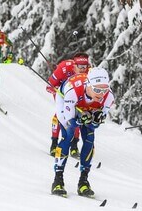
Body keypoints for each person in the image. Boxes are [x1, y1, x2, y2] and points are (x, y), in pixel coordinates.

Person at [51, 67, 115, 198]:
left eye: (104, 89)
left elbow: (95, 125)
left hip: (85, 108)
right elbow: (70, 122)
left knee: (90, 138)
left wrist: (94, 121)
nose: (101, 94)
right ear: (88, 85)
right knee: (68, 135)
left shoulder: (108, 97)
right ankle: (58, 180)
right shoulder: (73, 91)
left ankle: (83, 181)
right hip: (66, 101)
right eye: (97, 90)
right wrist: (81, 118)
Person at [46, 53, 91, 157]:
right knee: (60, 115)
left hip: (77, 95)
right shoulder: (63, 67)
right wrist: (56, 90)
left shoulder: (89, 72)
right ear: (74, 65)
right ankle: (54, 144)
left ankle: (74, 145)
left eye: (86, 66)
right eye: (80, 67)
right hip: (62, 94)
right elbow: (49, 86)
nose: (83, 69)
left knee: (77, 116)